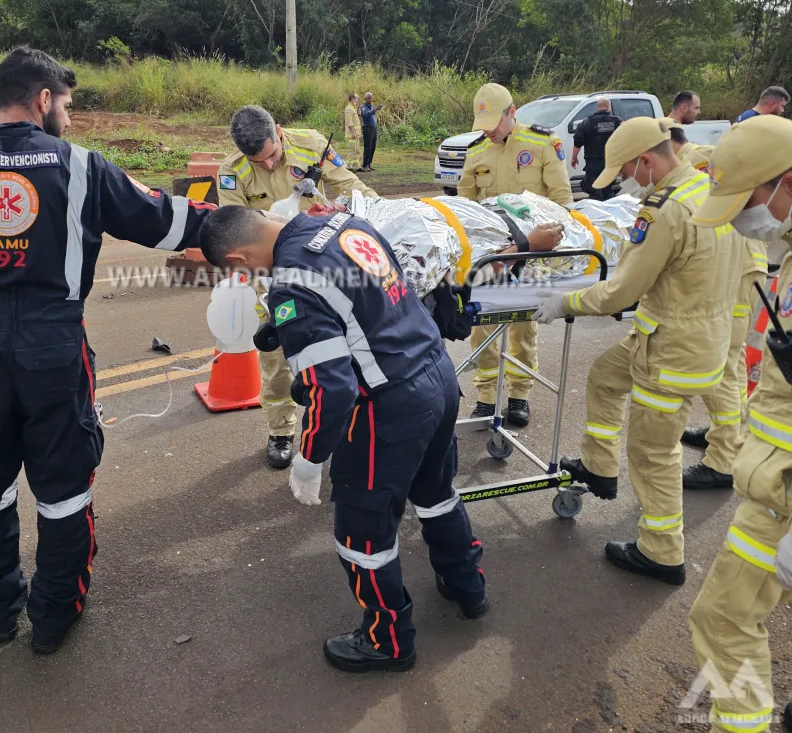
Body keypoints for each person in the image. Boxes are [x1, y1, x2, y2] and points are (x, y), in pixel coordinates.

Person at [0, 47, 215, 653]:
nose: (66, 114)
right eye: (65, 103)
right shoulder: (83, 167)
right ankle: (53, 615)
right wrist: (257, 230)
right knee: (65, 486)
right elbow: (169, 224)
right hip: (53, 350)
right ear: (44, 99)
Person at [197, 205, 565, 673]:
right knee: (436, 495)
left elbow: (333, 388)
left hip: (388, 410)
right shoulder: (343, 222)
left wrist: (310, 459)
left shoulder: (292, 284)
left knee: (362, 534)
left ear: (236, 261)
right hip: (436, 377)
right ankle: (467, 586)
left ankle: (387, 640)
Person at [534, 117, 742, 585]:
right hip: (696, 338)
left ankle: (662, 552)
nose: (628, 182)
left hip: (669, 352)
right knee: (605, 376)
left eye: (628, 172)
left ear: (646, 160)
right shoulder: (707, 189)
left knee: (653, 454)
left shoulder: (664, 210)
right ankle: (598, 466)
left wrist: (564, 302)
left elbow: (622, 290)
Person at [686, 115, 792, 733]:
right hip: (773, 476)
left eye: (748, 201)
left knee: (724, 620)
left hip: (782, 489)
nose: (746, 219)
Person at [217, 106, 377, 469]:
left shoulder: (312, 145)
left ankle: (345, 424)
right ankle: (280, 432)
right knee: (277, 359)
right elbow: (236, 230)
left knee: (343, 348)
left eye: (272, 155)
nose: (269, 165)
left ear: (278, 130)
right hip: (272, 277)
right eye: (260, 161)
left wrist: (375, 214)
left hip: (325, 269)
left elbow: (350, 186)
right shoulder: (232, 171)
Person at [458, 82, 573, 428]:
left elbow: (563, 201)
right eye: (485, 124)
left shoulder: (541, 145)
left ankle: (519, 395)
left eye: (496, 122)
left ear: (512, 112)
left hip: (533, 256)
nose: (490, 130)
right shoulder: (476, 150)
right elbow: (463, 206)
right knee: (483, 327)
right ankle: (486, 397)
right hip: (492, 257)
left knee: (524, 327)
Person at [663, 117, 769, 489]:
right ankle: (724, 433)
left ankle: (723, 459)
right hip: (737, 262)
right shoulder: (697, 163)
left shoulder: (702, 158)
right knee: (732, 359)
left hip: (738, 266)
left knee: (725, 361)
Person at [571, 97, 622, 200]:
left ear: (597, 108)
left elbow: (578, 142)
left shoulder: (586, 123)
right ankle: (608, 208)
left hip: (592, 162)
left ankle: (596, 209)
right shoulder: (617, 122)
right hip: (610, 162)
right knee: (608, 189)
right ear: (608, 107)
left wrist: (574, 158)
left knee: (594, 190)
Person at [357, 92, 382, 172]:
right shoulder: (363, 107)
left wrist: (375, 109)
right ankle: (365, 164)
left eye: (371, 98)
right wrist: (375, 110)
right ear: (366, 99)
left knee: (373, 147)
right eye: (369, 98)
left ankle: (369, 164)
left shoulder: (372, 106)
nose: (371, 99)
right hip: (367, 128)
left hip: (373, 128)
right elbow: (366, 115)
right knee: (368, 147)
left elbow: (373, 116)